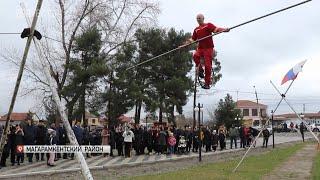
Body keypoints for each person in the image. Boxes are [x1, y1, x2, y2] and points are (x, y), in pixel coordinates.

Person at [180, 14, 229, 89]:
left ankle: (207, 83)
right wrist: (184, 45)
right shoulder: (196, 29)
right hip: (200, 48)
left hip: (208, 48)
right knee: (195, 56)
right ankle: (200, 70)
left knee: (208, 66)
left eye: (199, 18)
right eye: (197, 18)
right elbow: (192, 39)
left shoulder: (208, 25)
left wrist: (223, 29)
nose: (198, 19)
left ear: (203, 18)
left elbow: (216, 29)